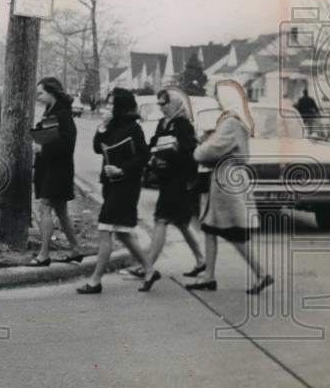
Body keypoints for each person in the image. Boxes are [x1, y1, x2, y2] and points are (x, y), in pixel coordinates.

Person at [186, 80, 273, 294]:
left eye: (217, 96)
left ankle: (262, 274)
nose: (216, 100)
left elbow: (209, 151)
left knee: (232, 232)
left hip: (227, 182)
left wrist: (200, 149)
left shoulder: (231, 122)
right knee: (210, 228)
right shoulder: (239, 119)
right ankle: (209, 276)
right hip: (228, 178)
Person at [78, 88, 158, 294]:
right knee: (123, 233)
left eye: (113, 104)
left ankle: (96, 280)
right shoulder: (112, 125)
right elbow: (98, 148)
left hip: (126, 186)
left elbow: (143, 157)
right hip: (110, 184)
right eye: (108, 103)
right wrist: (101, 128)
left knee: (105, 228)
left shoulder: (133, 127)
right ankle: (149, 270)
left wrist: (122, 169)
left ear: (122, 106)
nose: (109, 107)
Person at [139, 88, 206, 278]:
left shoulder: (184, 125)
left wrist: (176, 150)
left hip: (179, 181)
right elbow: (154, 143)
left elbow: (189, 154)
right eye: (159, 104)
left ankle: (147, 264)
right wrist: (152, 159)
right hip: (165, 178)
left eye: (164, 104)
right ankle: (201, 260)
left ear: (175, 104)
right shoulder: (163, 123)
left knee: (161, 219)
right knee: (181, 222)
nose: (160, 108)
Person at [29, 77, 85, 265]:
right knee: (61, 210)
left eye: (41, 93)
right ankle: (76, 249)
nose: (38, 96)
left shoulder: (63, 114)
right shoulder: (52, 111)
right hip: (51, 167)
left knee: (45, 206)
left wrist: (42, 148)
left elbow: (68, 144)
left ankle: (44, 255)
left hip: (58, 169)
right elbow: (48, 134)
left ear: (51, 92)